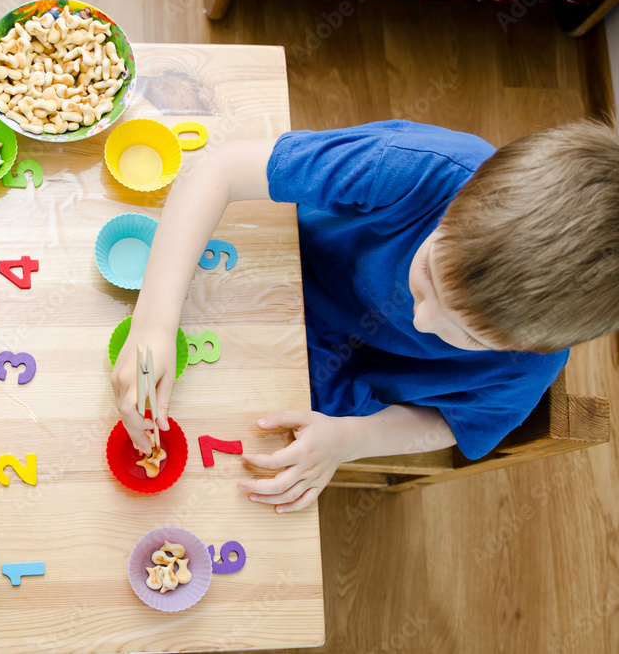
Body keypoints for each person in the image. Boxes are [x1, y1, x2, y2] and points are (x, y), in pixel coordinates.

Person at [110, 119, 619, 513]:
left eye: (469, 337)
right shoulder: (419, 168)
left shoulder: (530, 365)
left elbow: (453, 423)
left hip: (325, 393)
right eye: (430, 278)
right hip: (276, 267)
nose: (423, 322)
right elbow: (219, 170)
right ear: (458, 204)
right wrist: (154, 319)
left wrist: (353, 441)